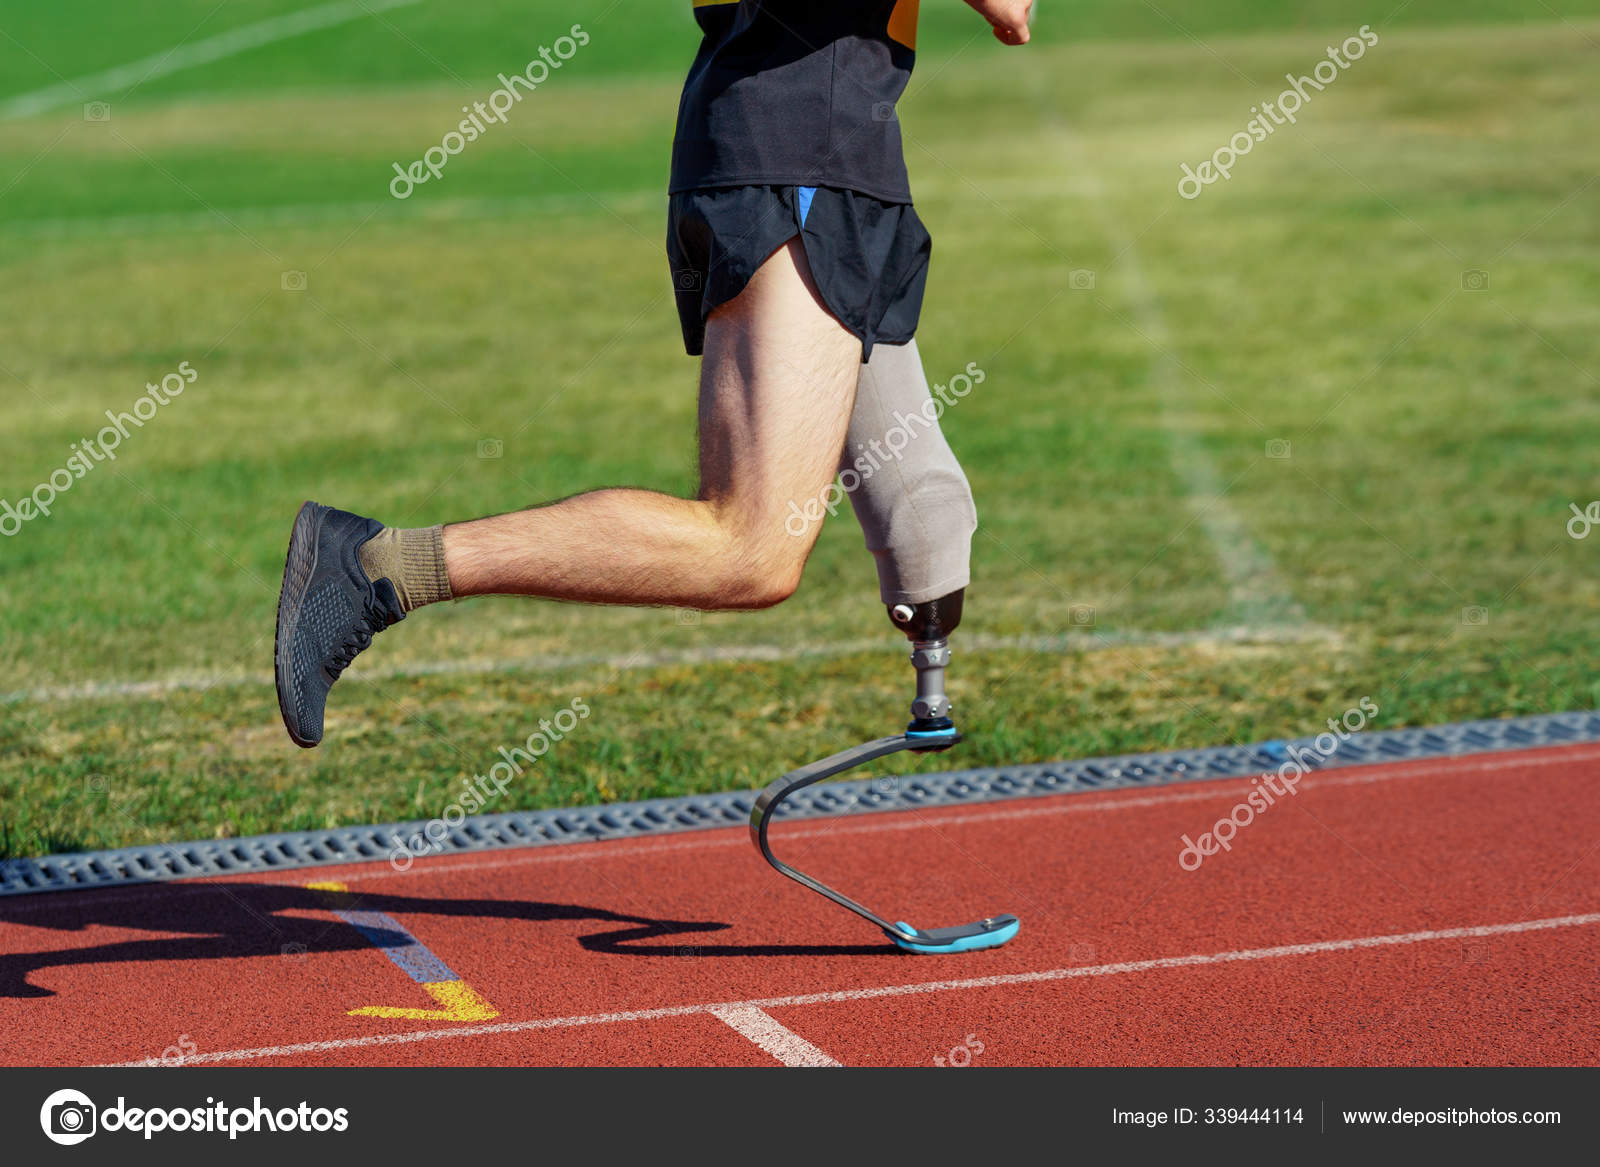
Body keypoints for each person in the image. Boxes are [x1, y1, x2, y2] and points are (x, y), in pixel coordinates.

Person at [275, 0, 1033, 748]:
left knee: (927, 532)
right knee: (752, 548)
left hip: (833, 154)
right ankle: (380, 568)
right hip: (800, 152)